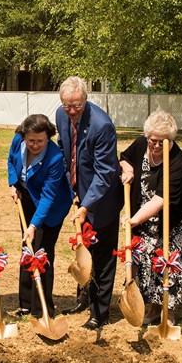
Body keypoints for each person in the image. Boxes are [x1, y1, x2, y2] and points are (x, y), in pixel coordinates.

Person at [55, 76, 123, 330]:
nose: (72, 112)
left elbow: (105, 172)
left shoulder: (101, 125)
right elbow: (64, 151)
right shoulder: (61, 116)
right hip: (79, 194)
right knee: (83, 250)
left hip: (103, 199)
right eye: (67, 106)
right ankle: (83, 299)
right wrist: (70, 187)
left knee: (102, 256)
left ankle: (100, 312)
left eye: (77, 106)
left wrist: (87, 205)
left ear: (86, 99)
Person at [120, 110, 182, 323]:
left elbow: (160, 200)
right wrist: (127, 170)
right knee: (145, 263)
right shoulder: (140, 145)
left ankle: (167, 311)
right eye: (153, 140)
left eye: (163, 142)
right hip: (143, 218)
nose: (156, 146)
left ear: (171, 140)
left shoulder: (178, 162)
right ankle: (152, 309)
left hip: (170, 221)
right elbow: (125, 158)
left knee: (166, 264)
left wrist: (134, 219)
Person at [7, 114, 73, 318]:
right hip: (27, 197)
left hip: (51, 207)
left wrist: (34, 225)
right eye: (31, 140)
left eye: (40, 141)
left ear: (48, 138)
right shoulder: (18, 141)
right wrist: (13, 183)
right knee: (27, 248)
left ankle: (43, 309)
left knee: (42, 252)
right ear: (24, 136)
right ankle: (26, 304)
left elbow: (48, 196)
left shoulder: (54, 158)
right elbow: (11, 161)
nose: (35, 145)